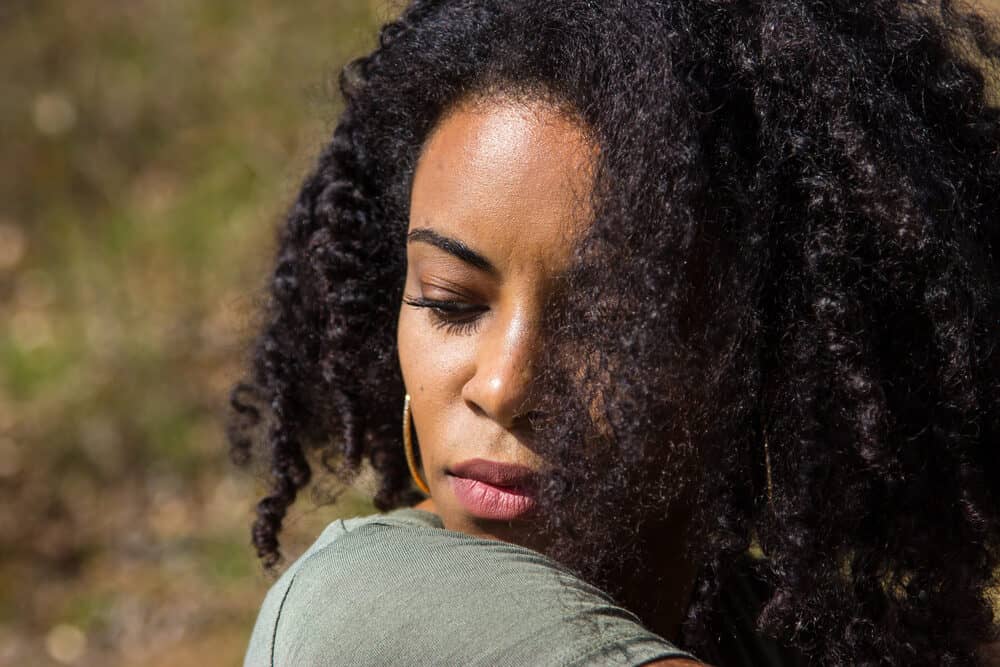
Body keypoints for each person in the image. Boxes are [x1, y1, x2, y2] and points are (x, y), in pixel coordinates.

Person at [227, 0, 1000, 664]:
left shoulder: (778, 628)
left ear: (753, 350)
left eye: (607, 324)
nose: (503, 386)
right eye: (451, 301)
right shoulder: (356, 610)